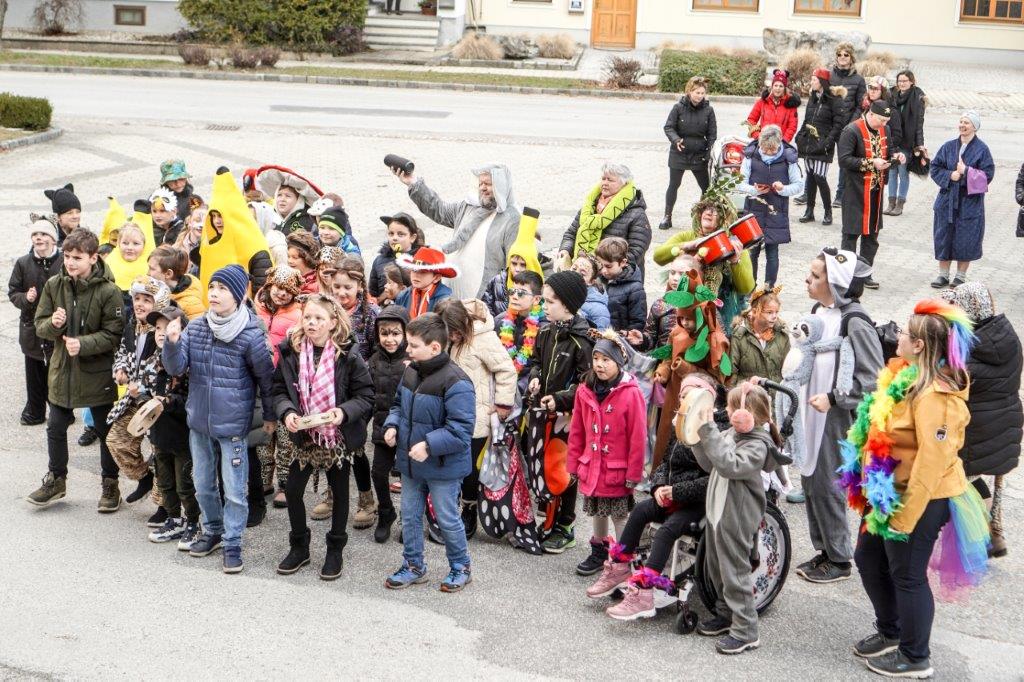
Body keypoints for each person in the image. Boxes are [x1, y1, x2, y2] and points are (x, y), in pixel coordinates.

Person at [843, 300, 989, 678]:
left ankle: (914, 656)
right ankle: (890, 630)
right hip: (889, 491)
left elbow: (931, 463)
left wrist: (907, 515)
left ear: (920, 344)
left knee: (907, 574)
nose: (898, 336)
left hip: (923, 496)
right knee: (868, 558)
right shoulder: (907, 375)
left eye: (904, 333)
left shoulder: (936, 397)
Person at [162, 264, 276, 574]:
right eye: (212, 286)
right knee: (202, 484)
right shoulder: (198, 326)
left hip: (234, 423)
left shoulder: (250, 333)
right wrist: (171, 343)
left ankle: (233, 542)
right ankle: (212, 530)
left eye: (222, 288)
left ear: (237, 295)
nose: (214, 293)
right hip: (199, 420)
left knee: (235, 489)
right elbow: (176, 368)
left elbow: (266, 379)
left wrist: (269, 415)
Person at [791, 249, 884, 582]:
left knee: (827, 483)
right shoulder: (819, 311)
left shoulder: (855, 321)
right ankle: (824, 550)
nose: (808, 279)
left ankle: (840, 559)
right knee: (810, 478)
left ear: (836, 285)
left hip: (836, 417)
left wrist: (834, 399)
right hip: (811, 410)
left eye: (816, 276)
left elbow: (873, 379)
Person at [588, 373, 712, 620]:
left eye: (687, 397)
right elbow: (665, 463)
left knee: (667, 530)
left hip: (699, 503)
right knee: (641, 510)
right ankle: (620, 567)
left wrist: (675, 491)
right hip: (672, 494)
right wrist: (658, 487)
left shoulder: (713, 433)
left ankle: (645, 593)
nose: (682, 402)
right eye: (681, 397)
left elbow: (712, 481)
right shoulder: (681, 425)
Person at [273, 294, 374, 581]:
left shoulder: (348, 354)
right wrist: (287, 412)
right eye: (307, 317)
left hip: (335, 435)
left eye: (319, 318)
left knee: (339, 492)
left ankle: (335, 549)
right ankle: (299, 546)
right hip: (303, 434)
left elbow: (366, 395)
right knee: (293, 490)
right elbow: (278, 390)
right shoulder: (291, 350)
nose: (312, 323)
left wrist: (344, 412)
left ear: (333, 322)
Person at [26, 229, 125, 511]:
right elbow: (40, 324)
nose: (70, 262)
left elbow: (114, 335)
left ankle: (110, 484)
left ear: (94, 258)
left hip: (97, 373)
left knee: (105, 430)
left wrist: (83, 344)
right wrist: (54, 324)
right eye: (67, 256)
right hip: (63, 370)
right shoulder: (54, 285)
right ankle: (56, 480)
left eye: (77, 258)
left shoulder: (109, 291)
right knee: (56, 426)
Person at [382, 313, 476, 592]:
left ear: (434, 347)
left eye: (413, 345)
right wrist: (392, 425)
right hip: (412, 463)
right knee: (410, 516)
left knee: (447, 518)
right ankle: (413, 565)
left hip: (442, 466)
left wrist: (428, 445)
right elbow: (398, 405)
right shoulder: (411, 371)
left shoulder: (457, 381)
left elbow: (461, 430)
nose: (407, 349)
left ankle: (461, 566)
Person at [692, 381, 787, 655]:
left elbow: (729, 465)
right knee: (717, 567)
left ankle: (746, 630)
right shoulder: (732, 434)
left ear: (748, 414)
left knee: (734, 571)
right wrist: (696, 437)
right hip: (718, 510)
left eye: (732, 408)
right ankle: (726, 613)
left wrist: (708, 430)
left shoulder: (757, 446)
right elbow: (710, 463)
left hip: (736, 514)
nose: (728, 412)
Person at [941, 282, 1021, 558]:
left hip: (979, 428)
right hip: (1004, 423)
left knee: (960, 478)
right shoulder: (1003, 334)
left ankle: (979, 537)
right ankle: (992, 534)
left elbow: (955, 378)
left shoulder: (973, 346)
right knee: (973, 477)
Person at [525, 271, 594, 554]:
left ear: (567, 304)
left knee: (565, 471)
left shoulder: (582, 340)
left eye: (550, 301)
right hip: (543, 411)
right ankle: (549, 520)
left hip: (568, 417)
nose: (544, 306)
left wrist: (561, 399)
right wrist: (535, 377)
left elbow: (586, 384)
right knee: (544, 466)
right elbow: (535, 362)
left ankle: (566, 526)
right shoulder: (545, 331)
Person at [567, 333, 646, 576]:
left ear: (619, 362)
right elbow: (577, 430)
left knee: (619, 516)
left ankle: (622, 560)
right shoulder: (584, 390)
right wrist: (573, 464)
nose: (599, 364)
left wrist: (634, 473)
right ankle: (599, 552)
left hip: (617, 469)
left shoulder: (631, 393)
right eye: (596, 358)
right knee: (598, 511)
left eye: (606, 360)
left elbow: (638, 436)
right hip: (592, 465)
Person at [436, 299, 516, 539]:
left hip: (476, 415)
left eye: (455, 332)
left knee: (470, 467)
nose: (452, 337)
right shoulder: (449, 339)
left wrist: (502, 404)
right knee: (449, 464)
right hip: (450, 412)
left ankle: (469, 508)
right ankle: (449, 508)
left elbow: (506, 369)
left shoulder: (483, 338)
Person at [397, 163, 521, 300]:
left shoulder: (513, 221)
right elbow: (439, 210)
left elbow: (516, 267)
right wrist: (413, 183)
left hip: (483, 302)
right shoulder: (468, 207)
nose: (482, 188)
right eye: (480, 183)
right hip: (451, 297)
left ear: (501, 185)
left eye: (488, 184)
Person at [105, 276, 172, 522]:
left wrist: (142, 386)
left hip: (158, 403)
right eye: (137, 298)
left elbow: (166, 366)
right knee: (117, 441)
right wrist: (121, 369)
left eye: (147, 300)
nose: (139, 304)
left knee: (161, 454)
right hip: (135, 399)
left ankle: (166, 506)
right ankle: (144, 478)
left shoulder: (164, 329)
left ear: (159, 303)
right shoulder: (132, 324)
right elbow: (123, 351)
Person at [653, 195, 755, 331]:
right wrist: (688, 245)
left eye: (716, 210)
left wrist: (735, 261)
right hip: (685, 308)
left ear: (725, 218)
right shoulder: (687, 237)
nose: (709, 212)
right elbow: (658, 256)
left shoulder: (733, 244)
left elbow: (746, 288)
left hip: (722, 311)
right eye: (706, 209)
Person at [143, 306, 200, 549]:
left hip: (181, 435)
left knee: (185, 484)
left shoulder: (186, 363)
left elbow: (190, 399)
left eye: (168, 328)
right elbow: (146, 391)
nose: (161, 332)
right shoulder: (151, 361)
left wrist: (168, 401)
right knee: (165, 482)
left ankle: (194, 523)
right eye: (158, 327)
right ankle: (174, 519)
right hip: (158, 433)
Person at [838, 100, 906, 290]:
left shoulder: (885, 129)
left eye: (886, 121)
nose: (884, 124)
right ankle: (847, 274)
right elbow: (844, 160)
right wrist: (870, 163)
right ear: (871, 114)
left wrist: (896, 156)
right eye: (881, 120)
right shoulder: (851, 130)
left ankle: (865, 273)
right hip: (855, 191)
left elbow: (889, 151)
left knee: (872, 237)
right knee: (851, 235)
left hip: (876, 191)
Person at [928, 111, 995, 288]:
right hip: (947, 200)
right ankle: (943, 275)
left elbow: (988, 175)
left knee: (966, 239)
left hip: (969, 203)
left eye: (966, 122)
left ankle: (960, 276)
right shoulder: (948, 146)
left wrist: (967, 172)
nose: (962, 125)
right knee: (944, 236)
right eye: (961, 121)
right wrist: (950, 175)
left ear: (975, 127)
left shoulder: (982, 150)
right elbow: (935, 167)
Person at [9, 217, 62, 426]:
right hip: (31, 327)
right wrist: (26, 298)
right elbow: (13, 292)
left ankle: (60, 412)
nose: (38, 238)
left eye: (43, 234)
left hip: (56, 326)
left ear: (53, 239)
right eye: (35, 234)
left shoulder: (63, 261)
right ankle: (35, 411)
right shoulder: (23, 263)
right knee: (34, 372)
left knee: (56, 371)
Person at [737, 124, 804, 288]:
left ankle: (769, 287)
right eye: (765, 149)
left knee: (772, 252)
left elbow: (798, 185)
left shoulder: (789, 158)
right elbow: (739, 183)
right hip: (754, 209)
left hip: (776, 210)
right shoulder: (750, 155)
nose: (767, 152)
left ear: (779, 144)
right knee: (752, 252)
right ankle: (750, 286)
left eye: (772, 149)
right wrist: (754, 190)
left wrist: (783, 189)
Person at [558, 163, 652, 275]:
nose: (605, 183)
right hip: (582, 272)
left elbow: (636, 251)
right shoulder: (590, 206)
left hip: (618, 278)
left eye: (610, 180)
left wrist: (604, 267)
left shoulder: (636, 213)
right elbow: (571, 234)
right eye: (603, 179)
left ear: (624, 184)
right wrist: (565, 250)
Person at [368, 305, 410, 544]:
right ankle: (386, 511)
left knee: (408, 478)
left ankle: (408, 518)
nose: (389, 339)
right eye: (384, 333)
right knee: (378, 472)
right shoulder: (374, 360)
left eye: (395, 333)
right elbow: (367, 395)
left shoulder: (413, 361)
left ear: (405, 333)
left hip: (409, 430)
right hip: (382, 428)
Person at [197, 169, 273, 297]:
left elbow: (262, 293)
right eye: (213, 216)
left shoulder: (255, 247)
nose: (217, 221)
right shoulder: (209, 244)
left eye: (221, 216)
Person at [660, 75, 717, 228]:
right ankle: (667, 216)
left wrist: (708, 151)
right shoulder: (678, 108)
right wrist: (676, 139)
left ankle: (702, 217)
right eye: (697, 92)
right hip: (679, 151)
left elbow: (712, 134)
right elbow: (669, 127)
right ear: (689, 91)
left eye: (702, 93)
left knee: (706, 187)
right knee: (674, 184)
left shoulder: (709, 110)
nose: (700, 96)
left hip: (699, 153)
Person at [794, 67, 847, 226]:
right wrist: (799, 136)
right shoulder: (813, 98)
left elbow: (838, 124)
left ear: (822, 82)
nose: (811, 82)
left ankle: (827, 212)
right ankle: (809, 211)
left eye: (814, 80)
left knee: (820, 177)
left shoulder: (835, 99)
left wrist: (828, 141)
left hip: (823, 145)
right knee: (810, 177)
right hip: (809, 144)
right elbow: (806, 120)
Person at [481, 209, 544, 318]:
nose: (517, 269)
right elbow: (486, 308)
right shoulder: (497, 281)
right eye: (514, 263)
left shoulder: (541, 287)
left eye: (523, 265)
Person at [829, 42, 867, 209]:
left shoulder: (858, 80)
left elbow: (861, 105)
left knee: (844, 162)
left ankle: (840, 194)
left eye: (846, 55)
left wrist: (851, 124)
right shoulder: (830, 76)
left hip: (846, 127)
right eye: (840, 54)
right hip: (829, 125)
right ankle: (809, 193)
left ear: (851, 58)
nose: (842, 57)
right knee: (817, 159)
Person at [884, 70, 927, 217]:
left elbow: (919, 124)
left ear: (911, 82)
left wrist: (920, 144)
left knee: (902, 172)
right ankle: (891, 203)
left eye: (905, 81)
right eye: (899, 81)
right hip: (893, 138)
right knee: (891, 172)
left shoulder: (918, 98)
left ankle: (900, 204)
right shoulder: (891, 95)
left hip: (907, 141)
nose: (901, 83)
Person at [729, 285, 790, 386]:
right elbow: (732, 373)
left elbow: (788, 372)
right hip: (750, 393)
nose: (774, 316)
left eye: (776, 312)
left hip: (776, 392)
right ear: (755, 311)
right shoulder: (739, 336)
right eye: (769, 312)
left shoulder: (782, 335)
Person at [495, 270, 545, 386]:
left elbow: (540, 369)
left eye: (521, 293)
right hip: (500, 380)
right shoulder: (499, 321)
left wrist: (518, 389)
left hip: (526, 388)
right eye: (512, 291)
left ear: (536, 299)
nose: (514, 297)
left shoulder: (544, 329)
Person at [595, 236, 646, 333]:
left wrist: (623, 336)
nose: (603, 271)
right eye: (600, 265)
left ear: (623, 262)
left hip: (617, 338)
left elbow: (637, 323)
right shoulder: (597, 280)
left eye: (608, 266)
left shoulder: (635, 289)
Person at [369, 213, 423, 300]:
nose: (394, 238)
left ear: (412, 238)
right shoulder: (379, 260)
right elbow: (373, 293)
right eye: (391, 233)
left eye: (400, 234)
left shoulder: (420, 261)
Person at [394, 246, 456, 319]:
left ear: (436, 278)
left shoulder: (444, 301)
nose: (416, 275)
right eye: (414, 270)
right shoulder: (403, 296)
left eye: (423, 271)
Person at [148, 245, 205, 320]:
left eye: (152, 269)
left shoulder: (192, 306)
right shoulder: (161, 291)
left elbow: (198, 326)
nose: (148, 273)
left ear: (168, 274)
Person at [744, 69, 801, 143]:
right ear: (772, 87)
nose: (778, 88)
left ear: (784, 88)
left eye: (781, 86)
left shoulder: (791, 104)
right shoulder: (762, 102)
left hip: (781, 144)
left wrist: (783, 142)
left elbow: (792, 127)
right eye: (775, 85)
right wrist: (758, 137)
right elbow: (751, 120)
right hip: (762, 142)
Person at [571, 253, 611, 331]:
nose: (574, 274)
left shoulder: (600, 311)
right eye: (574, 269)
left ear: (591, 281)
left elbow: (599, 336)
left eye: (582, 274)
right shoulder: (558, 291)